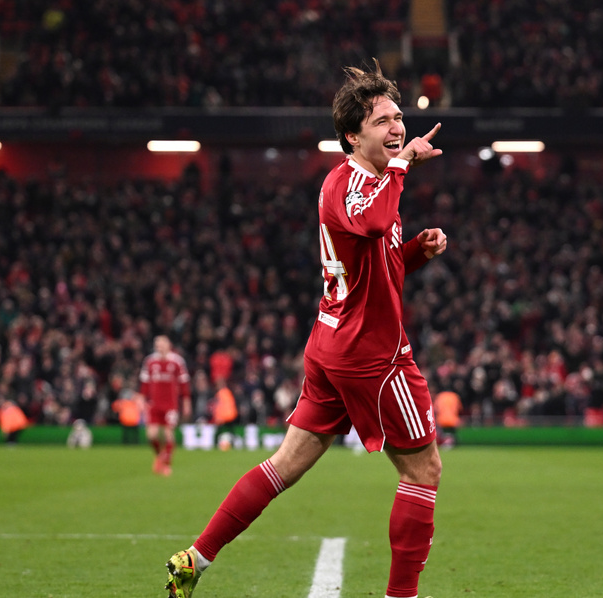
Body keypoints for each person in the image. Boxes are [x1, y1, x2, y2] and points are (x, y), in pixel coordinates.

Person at [165, 63, 448, 598]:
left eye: (398, 118)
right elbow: (372, 222)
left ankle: (195, 559)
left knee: (286, 464)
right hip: (372, 353)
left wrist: (416, 252)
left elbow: (374, 264)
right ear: (352, 136)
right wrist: (404, 164)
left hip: (333, 343)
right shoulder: (354, 183)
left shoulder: (371, 182)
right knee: (423, 471)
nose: (397, 128)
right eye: (382, 121)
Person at [139, 335, 191, 476]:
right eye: (157, 345)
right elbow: (144, 383)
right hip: (154, 404)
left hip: (170, 405)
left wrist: (186, 402)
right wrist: (141, 399)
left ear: (169, 345)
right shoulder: (150, 361)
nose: (159, 347)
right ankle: (159, 456)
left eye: (162, 344)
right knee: (151, 435)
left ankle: (167, 464)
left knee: (168, 433)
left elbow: (184, 384)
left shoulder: (177, 361)